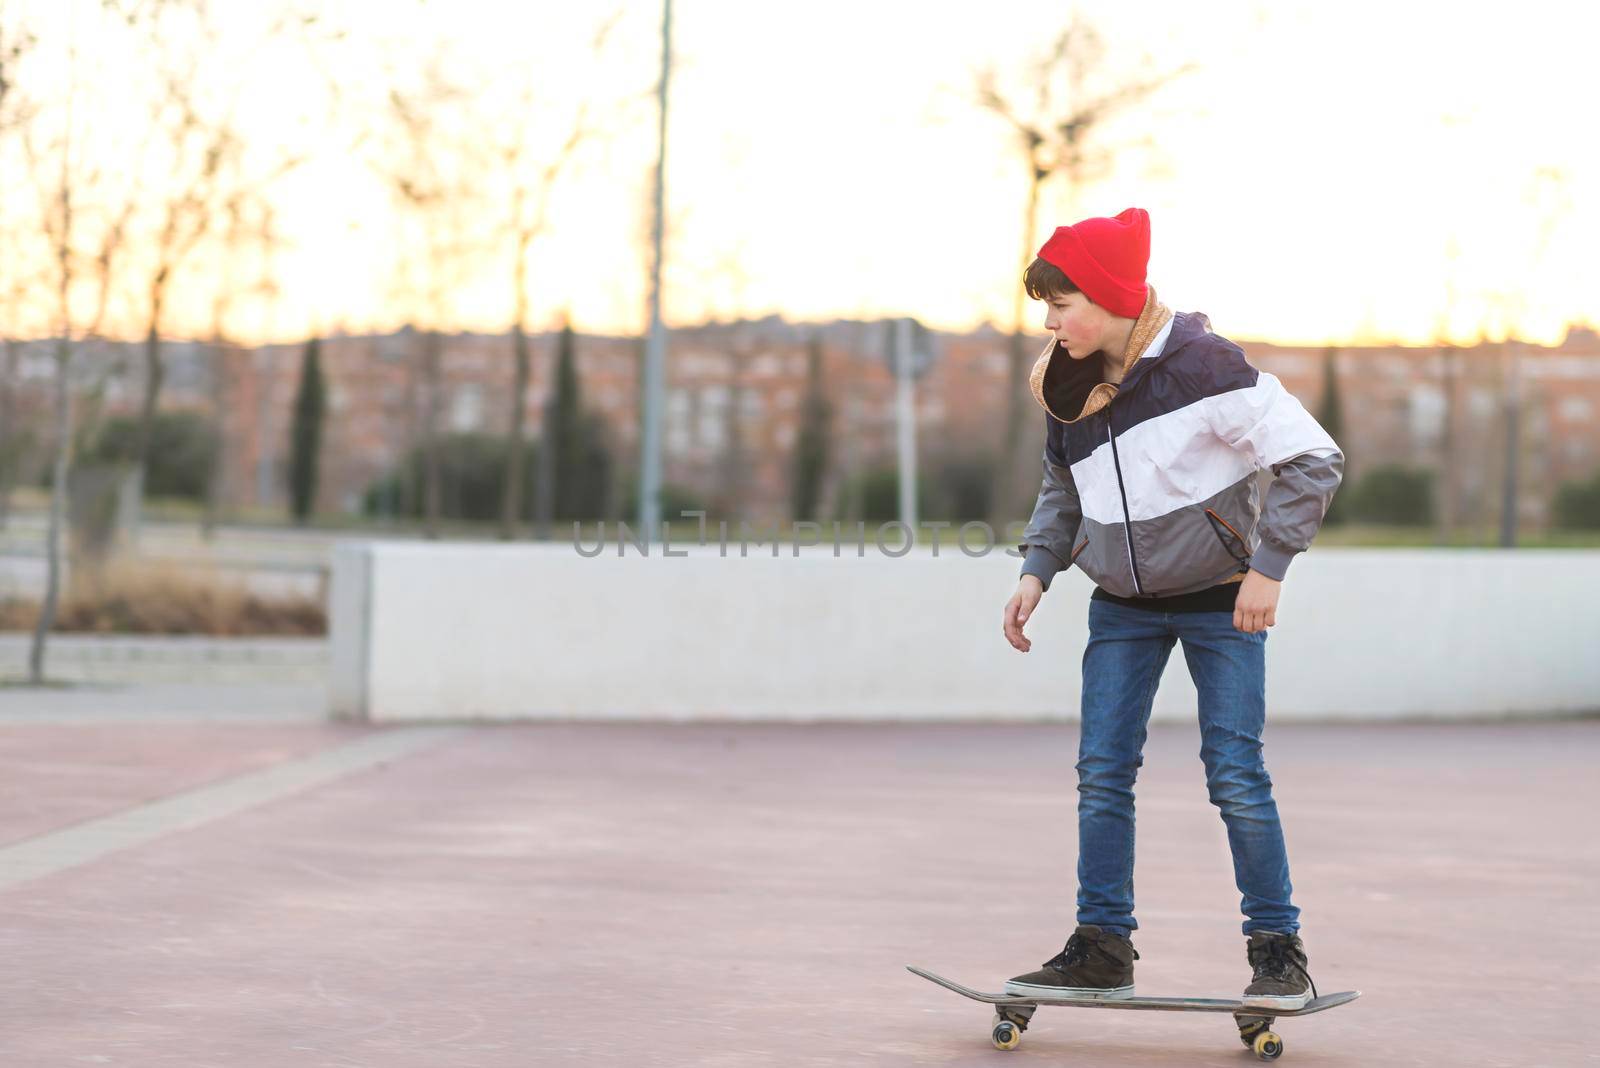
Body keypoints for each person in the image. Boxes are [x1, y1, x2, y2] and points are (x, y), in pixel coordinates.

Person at [999, 207, 1344, 1011]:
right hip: (1120, 606)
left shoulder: (1203, 366)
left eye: (1063, 302)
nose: (1051, 322)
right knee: (1101, 774)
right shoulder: (1068, 380)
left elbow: (1312, 458)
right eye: (1045, 306)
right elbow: (1063, 487)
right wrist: (1038, 569)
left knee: (1234, 775)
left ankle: (1278, 951)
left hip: (1222, 601)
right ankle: (1101, 946)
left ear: (1115, 295)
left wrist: (1270, 568)